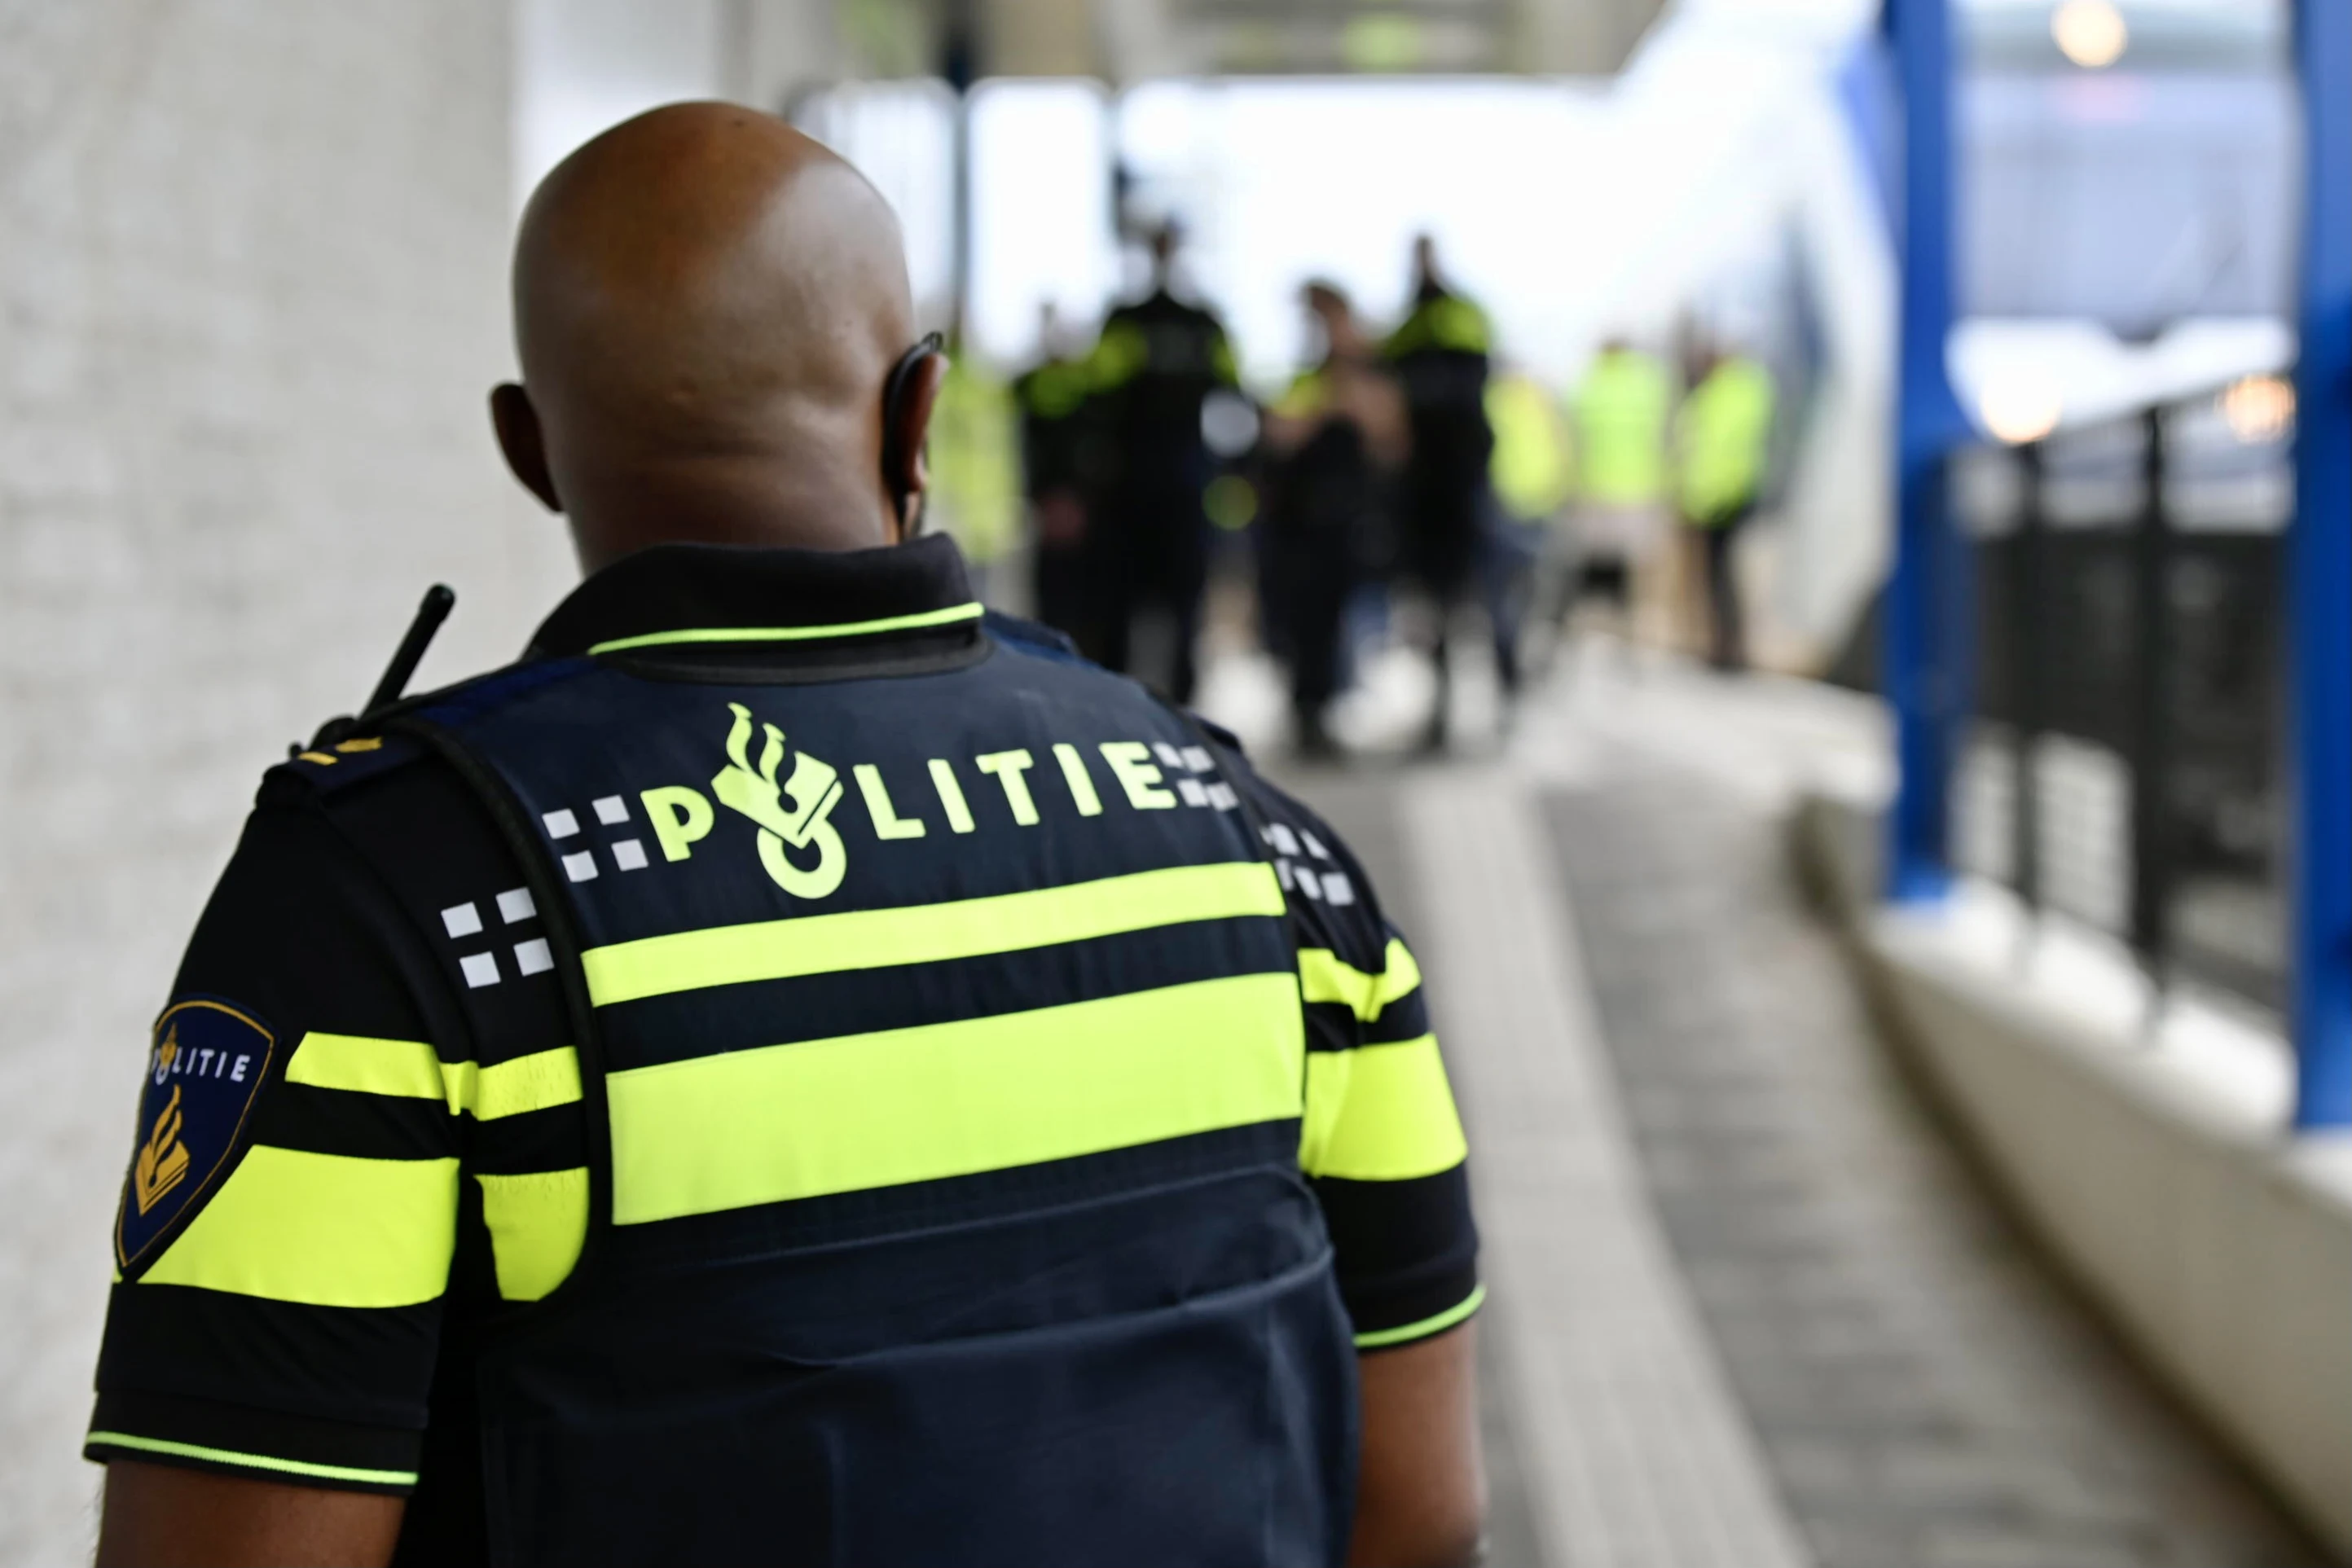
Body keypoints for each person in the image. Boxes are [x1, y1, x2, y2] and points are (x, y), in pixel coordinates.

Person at [86, 104, 1484, 1568]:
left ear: (529, 448)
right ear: (917, 412)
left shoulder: (392, 901)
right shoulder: (1263, 852)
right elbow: (1423, 1509)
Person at [1085, 222, 1240, 703]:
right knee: (1122, 602)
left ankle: (1182, 705)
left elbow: (1235, 396)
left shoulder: (1203, 322)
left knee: (1183, 602)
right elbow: (1096, 395)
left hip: (1182, 481)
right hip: (1129, 485)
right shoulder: (1125, 320)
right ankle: (1120, 701)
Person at [1260, 281, 1407, 758]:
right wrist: (1325, 404)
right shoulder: (1305, 381)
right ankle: (1308, 713)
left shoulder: (1372, 380)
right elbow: (1279, 435)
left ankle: (1330, 705)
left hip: (1349, 523)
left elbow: (1391, 444)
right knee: (1300, 625)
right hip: (1298, 524)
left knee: (1345, 622)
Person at [1385, 235, 1512, 750]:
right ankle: (1442, 708)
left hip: (1463, 480)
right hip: (1426, 486)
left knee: (1484, 596)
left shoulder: (1461, 315)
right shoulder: (1405, 325)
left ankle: (1504, 697)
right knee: (1435, 605)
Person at [1556, 338, 1673, 665]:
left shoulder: (1587, 384)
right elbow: (1666, 438)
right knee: (1635, 573)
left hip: (1595, 489)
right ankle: (1633, 638)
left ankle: (1587, 635)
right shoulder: (1648, 384)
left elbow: (1570, 439)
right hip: (1640, 489)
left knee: (1590, 570)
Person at [1675, 342, 1777, 670]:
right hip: (1723, 496)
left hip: (1722, 499)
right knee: (1722, 576)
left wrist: (1705, 495)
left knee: (1721, 577)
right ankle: (1724, 647)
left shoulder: (1723, 394)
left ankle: (1727, 650)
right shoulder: (1744, 390)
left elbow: (1717, 453)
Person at [1015, 301, 1101, 645]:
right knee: (1050, 605)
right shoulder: (1029, 384)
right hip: (1048, 510)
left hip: (1083, 517)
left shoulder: (1089, 391)